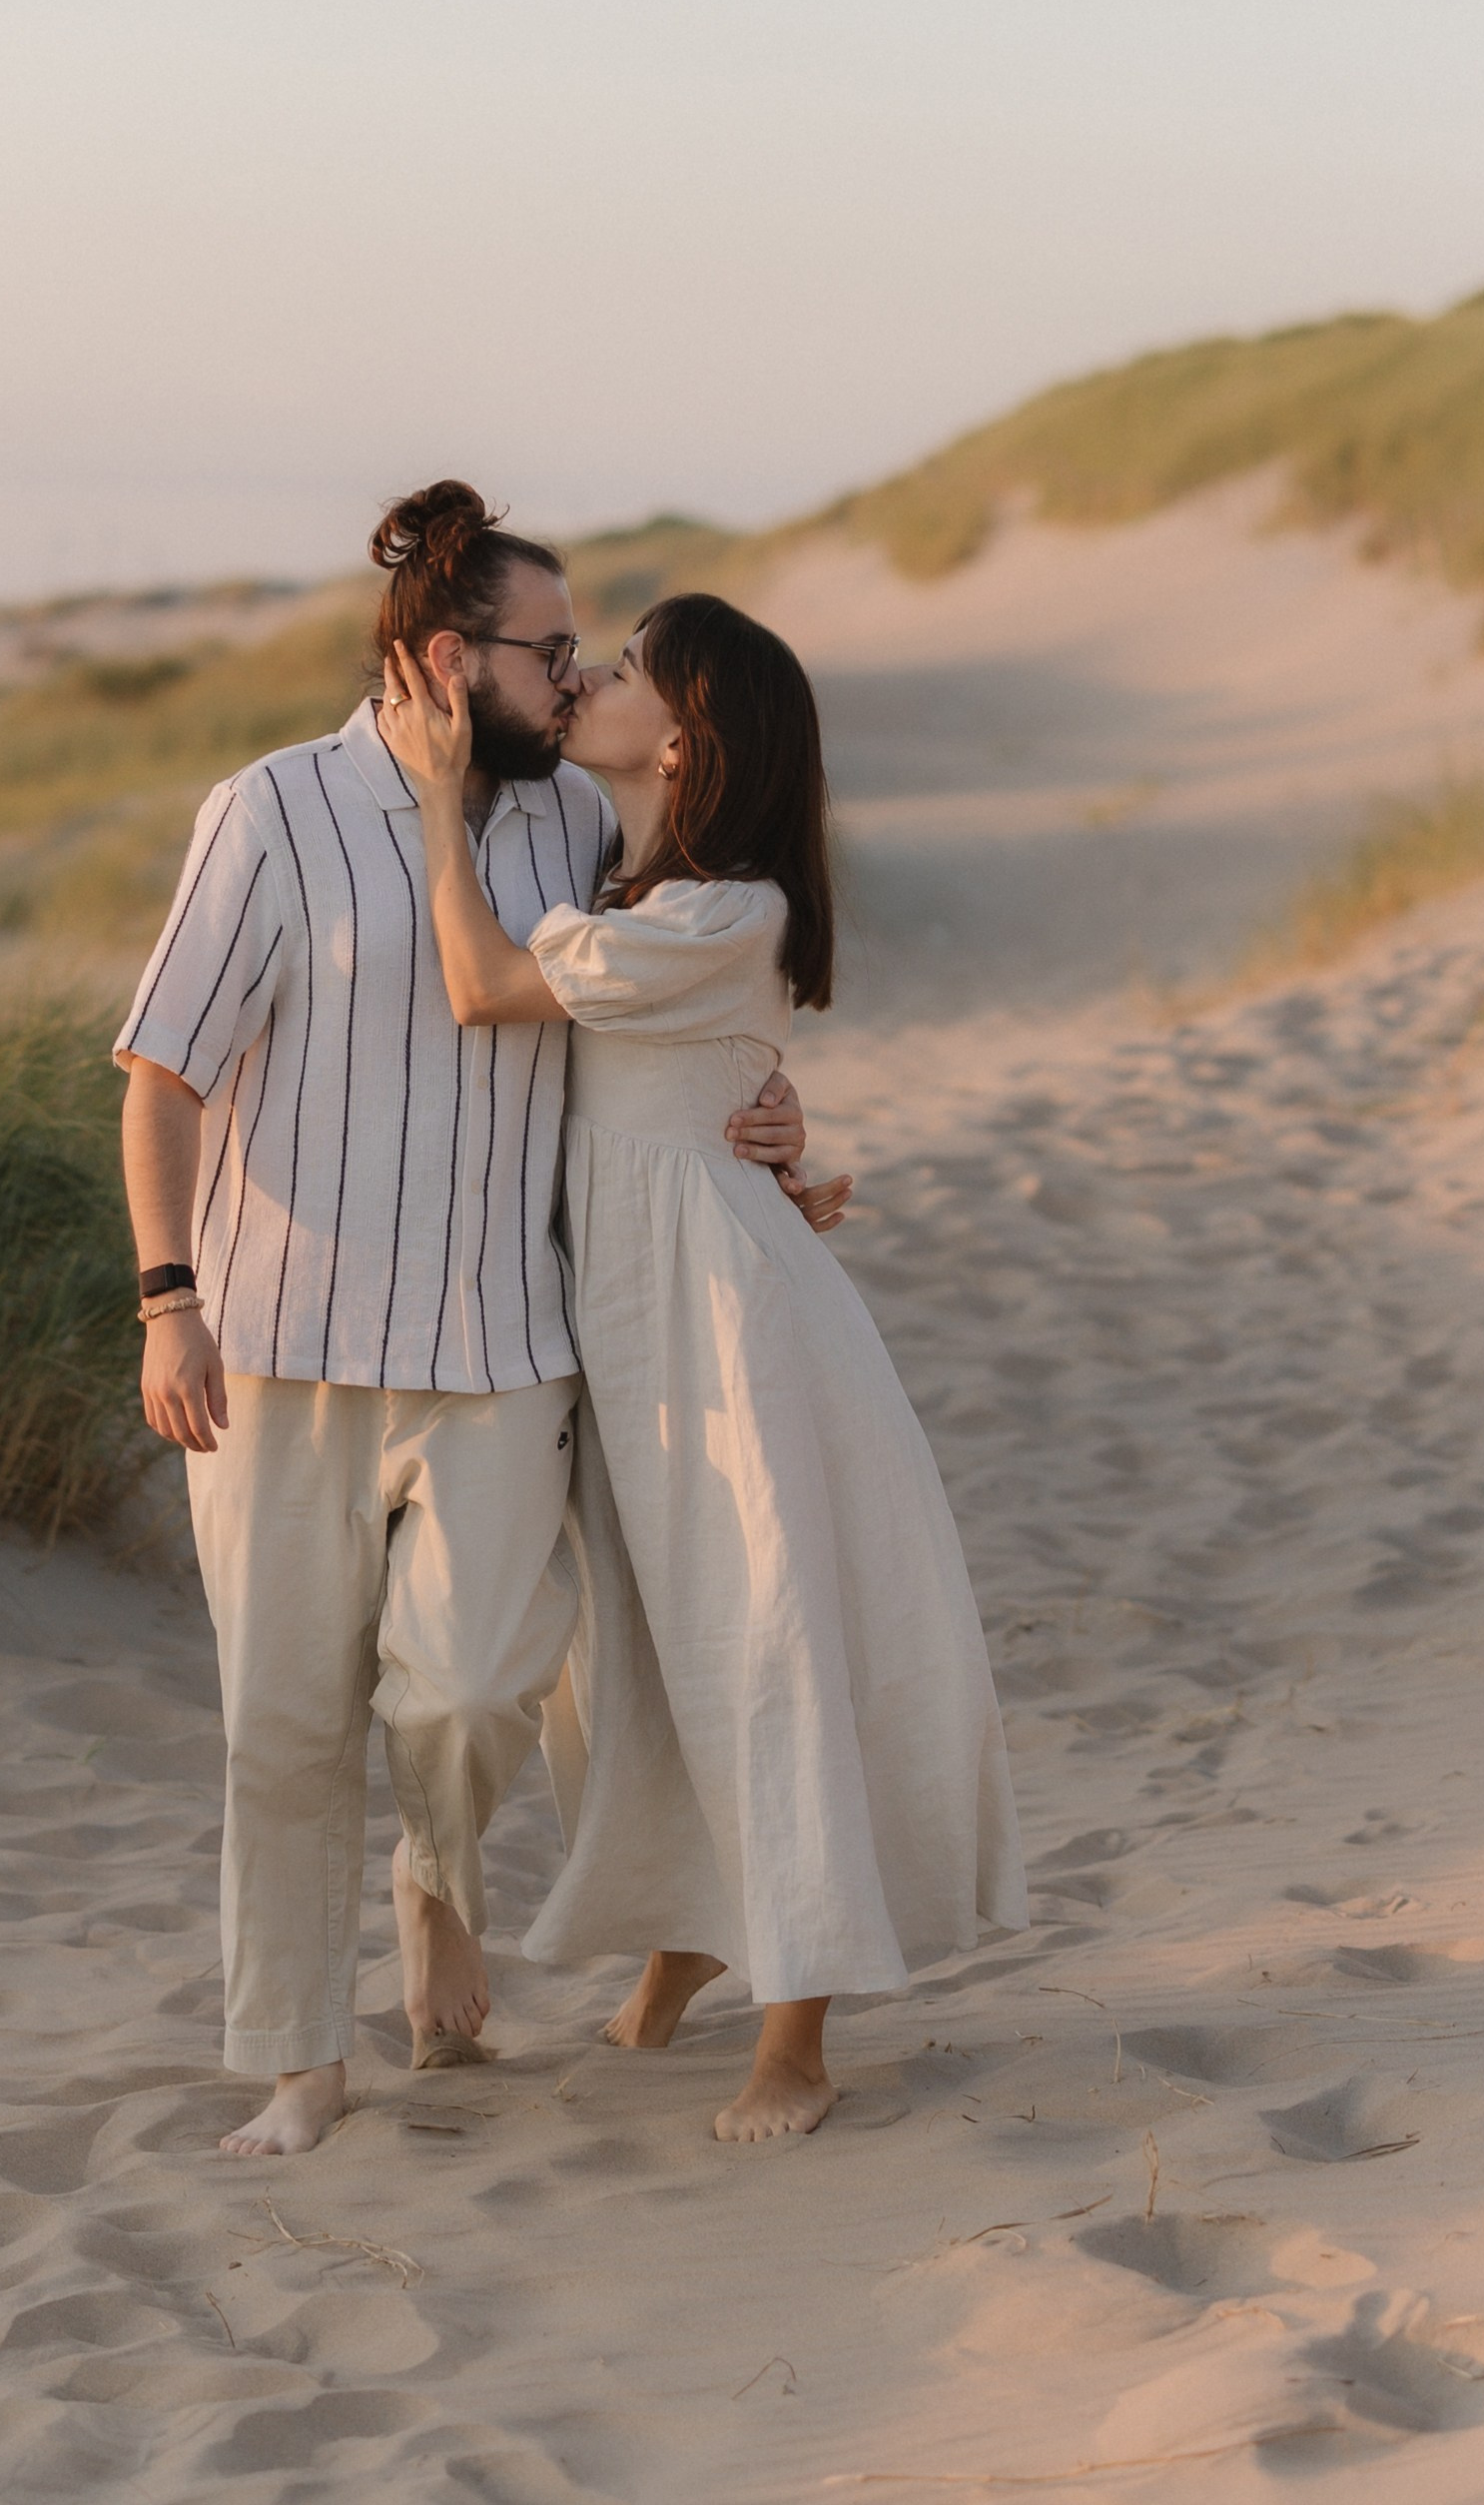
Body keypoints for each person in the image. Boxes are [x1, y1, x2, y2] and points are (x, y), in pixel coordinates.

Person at [117, 485, 817, 2157]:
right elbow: (161, 1070)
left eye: (584, 658)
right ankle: (299, 2064)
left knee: (479, 1688)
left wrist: (780, 1119)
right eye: (552, 653)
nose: (576, 684)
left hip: (508, 1351)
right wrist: (167, 1302)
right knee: (284, 1722)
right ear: (451, 656)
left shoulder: (575, 820)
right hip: (281, 1349)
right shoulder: (271, 811)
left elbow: (662, 1016)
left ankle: (439, 1871)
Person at [376, 591, 1026, 2141]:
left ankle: (794, 2032)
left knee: (765, 1634)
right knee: (651, 1650)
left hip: (726, 1322)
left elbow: (481, 988)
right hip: (633, 1310)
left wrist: (434, 806)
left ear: (683, 738)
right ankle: (688, 1937)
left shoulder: (721, 909)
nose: (587, 679)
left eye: (624, 673)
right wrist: (775, 1125)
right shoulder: (632, 884)